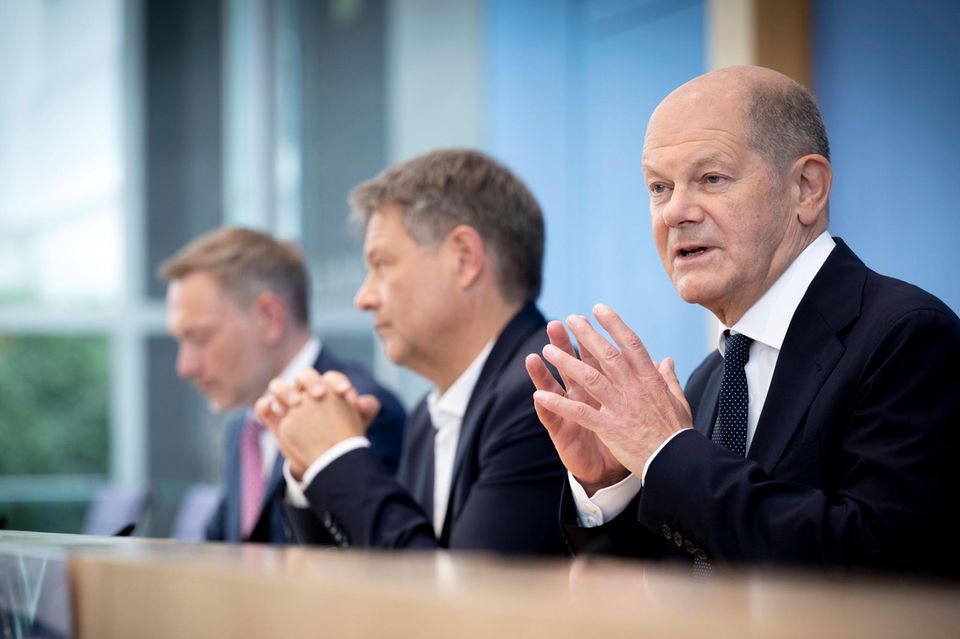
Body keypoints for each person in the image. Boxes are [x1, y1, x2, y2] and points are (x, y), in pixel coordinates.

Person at [526, 66, 960, 577]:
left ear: (806, 188)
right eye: (659, 187)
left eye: (712, 178)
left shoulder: (907, 336)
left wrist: (668, 456)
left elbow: (874, 561)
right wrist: (613, 485)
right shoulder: (712, 376)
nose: (675, 213)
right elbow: (686, 579)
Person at [256, 149, 566, 553]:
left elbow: (458, 603)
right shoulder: (425, 417)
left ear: (464, 259)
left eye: (381, 264)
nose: (363, 298)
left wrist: (338, 457)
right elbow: (360, 587)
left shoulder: (541, 394)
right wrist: (312, 463)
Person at [160, 227, 405, 543]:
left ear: (270, 318)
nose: (185, 366)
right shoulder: (243, 431)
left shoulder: (358, 410)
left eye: (201, 338)